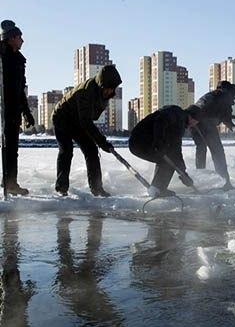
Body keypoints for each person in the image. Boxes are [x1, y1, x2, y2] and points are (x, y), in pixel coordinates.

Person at [52, 65, 122, 197]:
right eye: (108, 88)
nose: (110, 91)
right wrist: (102, 142)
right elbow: (86, 122)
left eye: (113, 88)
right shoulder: (86, 92)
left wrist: (100, 142)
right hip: (62, 117)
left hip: (78, 120)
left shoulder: (104, 94)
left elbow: (87, 119)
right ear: (102, 84)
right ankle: (61, 187)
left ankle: (97, 189)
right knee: (66, 150)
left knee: (91, 150)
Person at [129, 105, 198, 198]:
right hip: (141, 141)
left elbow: (176, 150)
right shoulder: (177, 115)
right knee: (167, 160)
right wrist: (158, 143)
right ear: (191, 116)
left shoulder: (180, 122)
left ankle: (158, 188)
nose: (194, 125)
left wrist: (183, 173)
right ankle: (158, 189)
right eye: (195, 122)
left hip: (140, 142)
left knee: (167, 159)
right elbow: (161, 119)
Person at [0, 20, 35, 195]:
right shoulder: (2, 56)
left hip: (13, 110)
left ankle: (10, 182)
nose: (22, 40)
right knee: (6, 146)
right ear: (12, 38)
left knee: (12, 148)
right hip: (1, 108)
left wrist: (27, 112)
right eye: (20, 37)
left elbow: (21, 89)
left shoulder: (19, 61)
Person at [186, 81, 235, 190]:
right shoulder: (212, 97)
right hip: (198, 123)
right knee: (213, 150)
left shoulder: (222, 100)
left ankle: (221, 180)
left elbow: (227, 119)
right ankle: (218, 181)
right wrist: (195, 120)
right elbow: (200, 107)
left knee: (207, 150)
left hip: (203, 124)